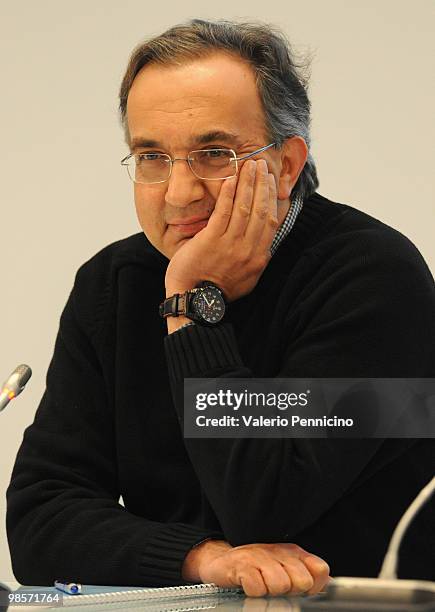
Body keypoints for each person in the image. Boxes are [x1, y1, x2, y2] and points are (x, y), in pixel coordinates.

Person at [6, 19, 435, 596]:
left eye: (213, 153)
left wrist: (191, 308)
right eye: (152, 157)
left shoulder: (374, 276)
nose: (179, 193)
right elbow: (41, 521)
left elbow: (264, 503)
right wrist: (201, 559)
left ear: (286, 165)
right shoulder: (113, 285)